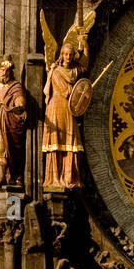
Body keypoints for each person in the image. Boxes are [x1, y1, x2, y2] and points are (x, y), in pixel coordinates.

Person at [43, 42, 84, 189]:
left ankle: (69, 178)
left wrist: (84, 43)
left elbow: (85, 63)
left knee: (70, 142)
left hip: (69, 108)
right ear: (61, 55)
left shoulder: (74, 71)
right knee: (56, 141)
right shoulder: (55, 71)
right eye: (65, 54)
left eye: (70, 54)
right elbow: (55, 90)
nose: (68, 57)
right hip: (55, 106)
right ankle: (54, 178)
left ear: (73, 56)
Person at [0, 58, 29, 187]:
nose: (2, 73)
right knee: (0, 148)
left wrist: (19, 103)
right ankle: (2, 176)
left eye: (5, 70)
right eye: (1, 70)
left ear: (9, 72)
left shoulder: (15, 86)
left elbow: (20, 98)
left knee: (13, 148)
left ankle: (14, 176)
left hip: (11, 121)